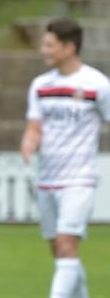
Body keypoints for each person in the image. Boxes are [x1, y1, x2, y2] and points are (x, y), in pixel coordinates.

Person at [20, 18, 110, 298]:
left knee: (67, 245)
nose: (43, 50)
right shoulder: (40, 85)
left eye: (49, 44)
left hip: (79, 179)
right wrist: (29, 142)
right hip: (47, 178)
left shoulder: (97, 84)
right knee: (61, 252)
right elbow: (34, 127)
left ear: (69, 47)